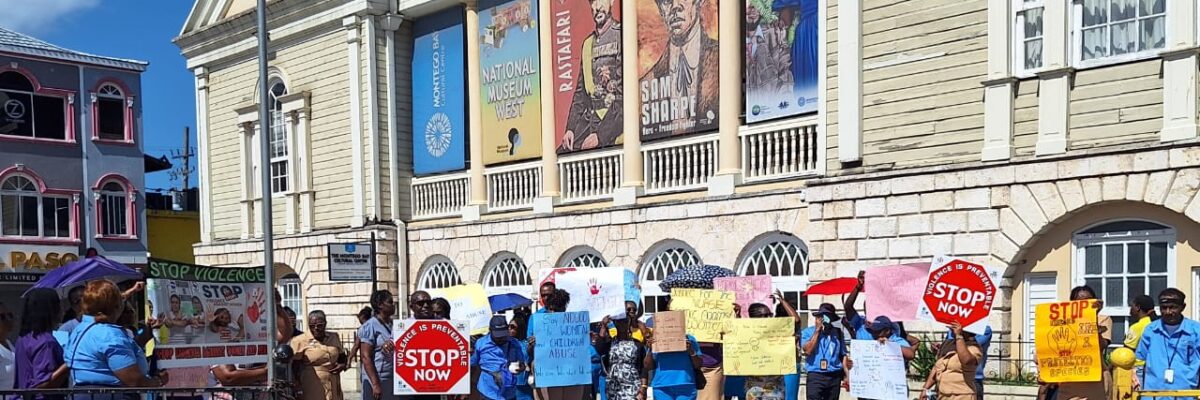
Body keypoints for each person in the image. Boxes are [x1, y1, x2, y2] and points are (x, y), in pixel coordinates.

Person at [64, 280, 168, 394]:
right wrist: (158, 381)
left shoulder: (80, 329)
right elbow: (134, 381)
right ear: (117, 306)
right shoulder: (109, 334)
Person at [639, 0, 720, 138]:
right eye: (666, 1)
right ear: (660, 10)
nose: (675, 6)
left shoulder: (721, 59)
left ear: (699, 2)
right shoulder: (646, 84)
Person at [561, 0, 623, 151]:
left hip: (613, 122)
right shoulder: (588, 44)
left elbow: (624, 98)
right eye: (593, 3)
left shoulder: (621, 35)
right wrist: (570, 129)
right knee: (561, 155)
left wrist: (601, 135)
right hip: (589, 122)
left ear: (611, 2)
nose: (597, 7)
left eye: (601, 1)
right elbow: (580, 94)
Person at [1133, 288, 1200, 396]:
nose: (1168, 312)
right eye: (1164, 308)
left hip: (1186, 395)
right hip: (1153, 395)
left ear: (1183, 307)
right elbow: (1139, 362)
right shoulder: (1151, 330)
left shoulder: (1196, 330)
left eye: (1173, 307)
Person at [528, 289, 587, 400]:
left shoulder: (574, 327)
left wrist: (586, 340)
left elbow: (582, 354)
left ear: (564, 309)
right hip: (549, 374)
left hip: (571, 375)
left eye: (557, 310)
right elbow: (530, 353)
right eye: (551, 310)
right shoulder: (541, 325)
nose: (554, 313)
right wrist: (532, 345)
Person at [1055, 286, 1112, 400]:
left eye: (1088, 301)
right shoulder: (1063, 321)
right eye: (1080, 302)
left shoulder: (1103, 319)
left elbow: (1102, 345)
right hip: (1070, 380)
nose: (1084, 305)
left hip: (1096, 381)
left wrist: (1093, 319)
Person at [843, 272, 916, 359]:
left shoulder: (892, 337)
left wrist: (890, 344)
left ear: (887, 331)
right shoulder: (860, 324)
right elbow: (848, 307)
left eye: (877, 330)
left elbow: (911, 355)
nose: (874, 332)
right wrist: (858, 287)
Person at [644, 303, 702, 400]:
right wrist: (650, 349)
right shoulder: (656, 340)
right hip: (662, 386)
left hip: (685, 386)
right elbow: (648, 366)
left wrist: (691, 351)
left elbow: (698, 364)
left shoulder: (690, 339)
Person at [16, 288, 69, 395]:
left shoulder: (23, 339)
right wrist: (69, 364)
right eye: (58, 304)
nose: (62, 308)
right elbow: (43, 383)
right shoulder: (46, 342)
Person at [292, 310, 346, 400]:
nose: (316, 328)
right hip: (312, 381)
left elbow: (342, 356)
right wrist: (297, 386)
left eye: (320, 325)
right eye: (312, 326)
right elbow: (294, 365)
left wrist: (342, 364)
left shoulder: (334, 337)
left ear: (325, 324)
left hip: (333, 381)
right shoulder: (299, 340)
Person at [922, 322, 982, 400]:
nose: (952, 330)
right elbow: (937, 368)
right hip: (942, 394)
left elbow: (966, 361)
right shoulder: (947, 344)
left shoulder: (974, 348)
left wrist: (959, 336)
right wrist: (925, 388)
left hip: (962, 395)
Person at [474, 315, 529, 400]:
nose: (501, 338)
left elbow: (522, 364)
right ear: (490, 331)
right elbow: (472, 362)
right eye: (498, 336)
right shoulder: (481, 344)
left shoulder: (515, 343)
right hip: (488, 392)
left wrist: (520, 368)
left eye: (503, 335)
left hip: (509, 393)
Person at [596, 314, 648, 400]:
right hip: (613, 388)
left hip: (633, 387)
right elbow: (599, 348)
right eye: (619, 322)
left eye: (624, 321)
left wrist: (643, 388)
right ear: (615, 324)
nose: (622, 324)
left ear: (628, 323)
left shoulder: (637, 344)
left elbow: (643, 368)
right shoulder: (610, 344)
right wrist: (604, 327)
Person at [743, 303, 789, 400]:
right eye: (765, 315)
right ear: (754, 318)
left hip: (774, 386)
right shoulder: (745, 332)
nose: (769, 317)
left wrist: (783, 301)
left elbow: (796, 322)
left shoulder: (777, 331)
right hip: (754, 386)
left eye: (770, 314)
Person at [801, 303, 845, 400]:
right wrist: (817, 331)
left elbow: (843, 356)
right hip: (816, 375)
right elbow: (808, 351)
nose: (825, 319)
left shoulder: (837, 333)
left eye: (828, 316)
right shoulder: (807, 332)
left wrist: (847, 376)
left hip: (834, 376)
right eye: (822, 316)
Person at [359, 290, 396, 400]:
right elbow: (366, 356)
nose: (393, 305)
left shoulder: (393, 324)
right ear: (380, 305)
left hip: (390, 377)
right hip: (377, 377)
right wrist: (375, 384)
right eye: (390, 302)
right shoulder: (370, 326)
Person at [941, 326, 993, 400]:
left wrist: (959, 335)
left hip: (971, 379)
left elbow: (968, 349)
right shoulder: (952, 330)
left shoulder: (984, 329)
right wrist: (941, 349)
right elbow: (950, 349)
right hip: (948, 381)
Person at [509, 308, 535, 400]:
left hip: (523, 386)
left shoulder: (526, 344)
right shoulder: (506, 343)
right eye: (509, 326)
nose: (509, 329)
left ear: (519, 328)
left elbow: (528, 358)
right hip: (509, 385)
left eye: (512, 327)